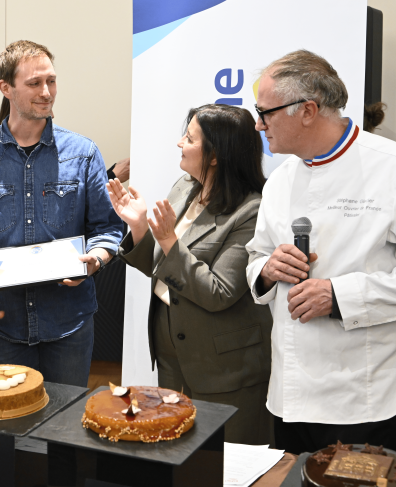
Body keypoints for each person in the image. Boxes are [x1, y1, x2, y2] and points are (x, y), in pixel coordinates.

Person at [246, 49, 396, 455]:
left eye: (265, 112)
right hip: (290, 390)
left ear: (307, 111)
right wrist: (268, 267)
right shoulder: (279, 180)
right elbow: (256, 257)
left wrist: (339, 296)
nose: (257, 123)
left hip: (366, 394)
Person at [0, 39, 122, 386]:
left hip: (69, 321)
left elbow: (108, 229)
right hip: (3, 323)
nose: (47, 92)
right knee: (12, 428)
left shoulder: (83, 154)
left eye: (51, 81)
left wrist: (96, 259)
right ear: (5, 87)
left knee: (67, 425)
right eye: (34, 83)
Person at [108, 104, 273, 445]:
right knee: (179, 454)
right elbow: (162, 265)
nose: (179, 143)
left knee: (227, 462)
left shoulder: (252, 210)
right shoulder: (185, 186)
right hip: (172, 351)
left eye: (189, 138)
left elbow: (218, 291)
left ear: (215, 155)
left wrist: (168, 238)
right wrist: (139, 226)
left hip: (224, 365)